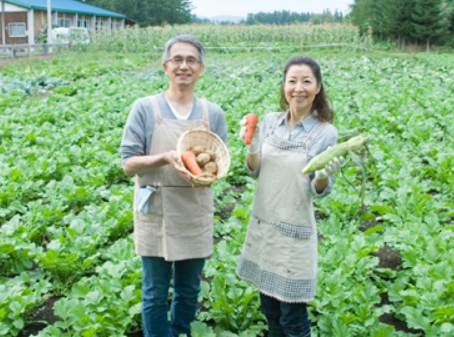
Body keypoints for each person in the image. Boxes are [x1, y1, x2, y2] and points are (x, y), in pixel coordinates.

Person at [120, 34, 227, 337]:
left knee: (189, 289)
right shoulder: (145, 108)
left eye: (191, 60)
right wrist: (165, 158)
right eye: (177, 60)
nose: (184, 66)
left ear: (201, 68)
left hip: (194, 211)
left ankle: (180, 331)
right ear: (165, 66)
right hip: (156, 210)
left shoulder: (212, 114)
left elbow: (218, 165)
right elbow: (128, 164)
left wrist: (205, 174)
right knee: (154, 291)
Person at [236, 56, 344, 337]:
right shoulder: (270, 122)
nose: (299, 88)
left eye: (306, 81)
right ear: (284, 86)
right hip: (264, 229)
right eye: (292, 81)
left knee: (293, 319)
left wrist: (322, 177)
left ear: (317, 87)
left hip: (294, 236)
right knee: (271, 314)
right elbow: (254, 171)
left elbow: (318, 192)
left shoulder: (325, 132)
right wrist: (252, 147)